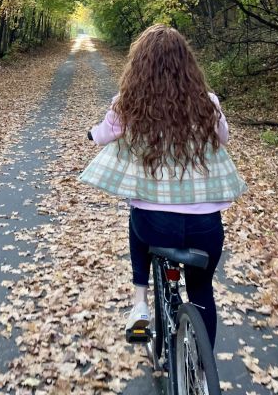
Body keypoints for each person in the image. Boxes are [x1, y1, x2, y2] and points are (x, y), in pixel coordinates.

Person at [85, 24, 245, 349]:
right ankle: (200, 372)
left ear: (139, 64)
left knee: (136, 214)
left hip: (155, 225)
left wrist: (91, 134)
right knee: (201, 292)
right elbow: (223, 139)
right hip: (206, 226)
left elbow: (102, 135)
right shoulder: (207, 102)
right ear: (188, 64)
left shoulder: (127, 103)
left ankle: (140, 301)